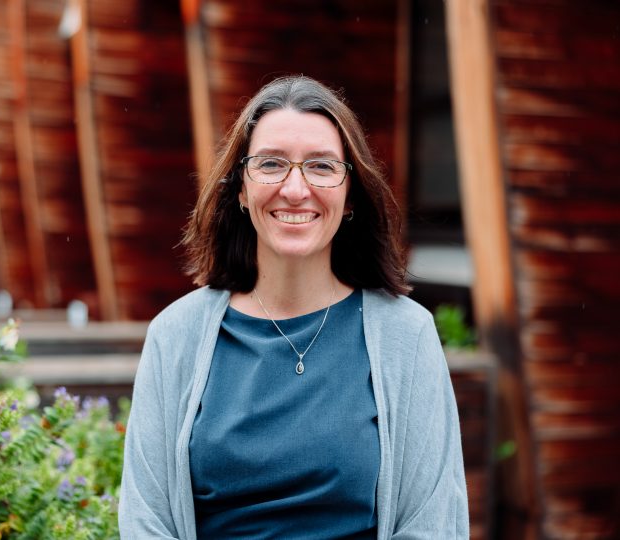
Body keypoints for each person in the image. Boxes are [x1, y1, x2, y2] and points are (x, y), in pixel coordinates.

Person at [118, 75, 468, 539]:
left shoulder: (408, 336)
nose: (295, 189)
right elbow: (146, 520)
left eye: (321, 167)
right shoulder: (175, 336)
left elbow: (432, 523)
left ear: (350, 197)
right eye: (271, 164)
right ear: (241, 189)